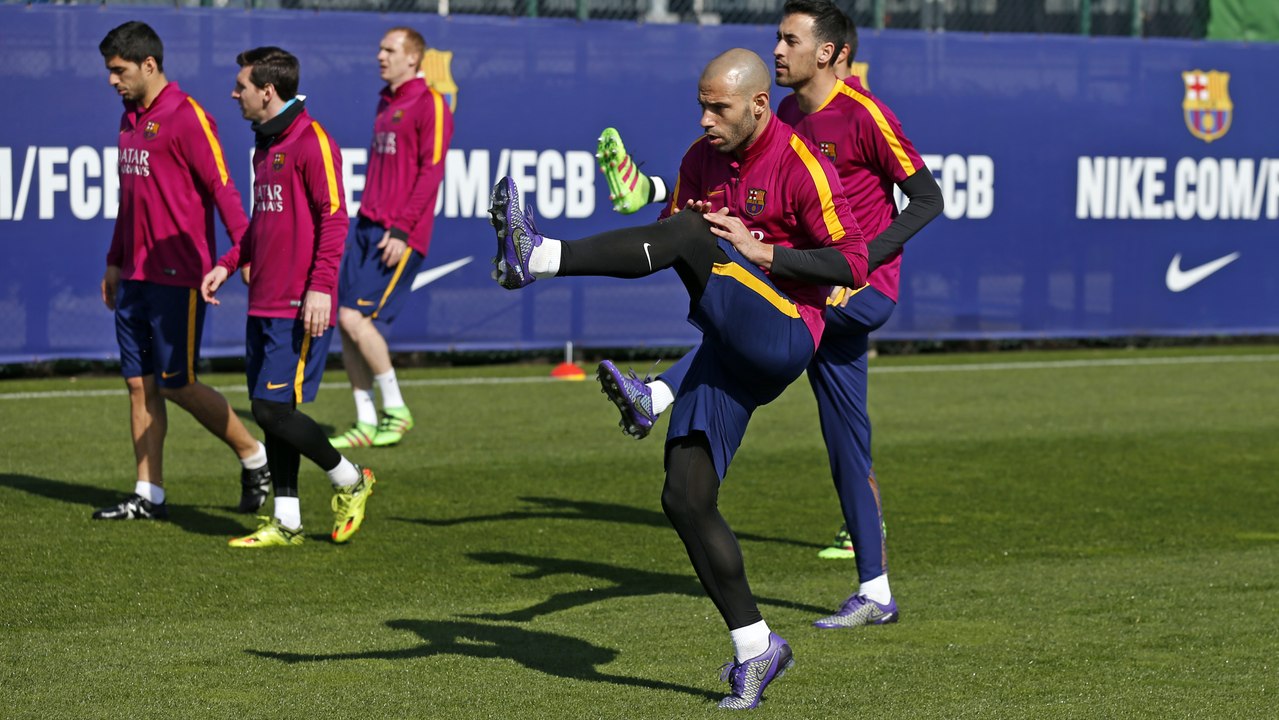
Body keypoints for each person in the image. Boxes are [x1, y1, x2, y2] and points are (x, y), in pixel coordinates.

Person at [491, 48, 868, 710]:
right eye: (700, 103)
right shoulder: (700, 160)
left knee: (692, 234)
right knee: (685, 498)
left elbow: (853, 262)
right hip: (728, 343)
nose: (703, 119)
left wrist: (763, 250)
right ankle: (757, 648)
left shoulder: (800, 161)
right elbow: (666, 242)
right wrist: (648, 203)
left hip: (785, 332)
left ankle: (540, 256)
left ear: (757, 105)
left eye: (717, 107)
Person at [596, 0, 944, 626]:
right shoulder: (778, 113)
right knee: (846, 440)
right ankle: (877, 592)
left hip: (852, 289)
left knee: (743, 325)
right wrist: (652, 192)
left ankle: (656, 395)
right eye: (776, 38)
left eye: (790, 39)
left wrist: (867, 261)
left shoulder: (865, 115)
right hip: (800, 282)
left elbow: (927, 198)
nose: (777, 49)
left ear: (829, 53)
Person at [93, 21, 272, 522]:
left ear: (149, 65)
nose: (112, 80)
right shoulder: (129, 117)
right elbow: (128, 201)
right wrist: (113, 260)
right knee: (139, 385)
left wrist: (246, 250)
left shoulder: (188, 115)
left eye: (119, 70)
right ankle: (148, 494)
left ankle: (254, 457)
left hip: (178, 275)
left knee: (177, 384)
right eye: (110, 71)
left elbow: (223, 188)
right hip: (133, 276)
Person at [202, 47, 376, 548]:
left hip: (298, 305)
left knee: (271, 409)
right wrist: (228, 263)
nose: (235, 94)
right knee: (272, 409)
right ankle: (288, 521)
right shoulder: (264, 144)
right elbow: (263, 223)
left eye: (241, 86)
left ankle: (349, 478)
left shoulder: (312, 140)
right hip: (264, 302)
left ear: (267, 91)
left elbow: (335, 218)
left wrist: (321, 287)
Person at [329, 27, 454, 450]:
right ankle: (366, 420)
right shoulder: (387, 101)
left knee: (353, 319)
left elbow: (431, 171)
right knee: (344, 324)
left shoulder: (431, 103)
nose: (380, 56)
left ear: (413, 58)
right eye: (380, 48)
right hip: (367, 225)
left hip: (399, 233)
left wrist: (401, 229)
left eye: (389, 50)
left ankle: (395, 409)